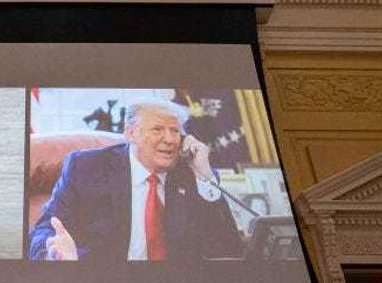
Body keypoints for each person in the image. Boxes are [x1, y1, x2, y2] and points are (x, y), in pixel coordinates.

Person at [28, 100, 240, 261]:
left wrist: (204, 175)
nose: (169, 139)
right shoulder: (87, 169)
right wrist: (55, 252)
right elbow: (45, 229)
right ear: (131, 133)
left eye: (175, 131)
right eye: (157, 129)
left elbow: (227, 247)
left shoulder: (192, 173)